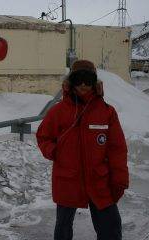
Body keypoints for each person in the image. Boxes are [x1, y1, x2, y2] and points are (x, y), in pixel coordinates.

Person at [36, 60, 129, 240]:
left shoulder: (106, 112)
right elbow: (43, 137)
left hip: (98, 180)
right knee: (63, 228)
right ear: (71, 81)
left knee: (111, 227)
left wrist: (119, 180)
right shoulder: (58, 112)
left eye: (88, 79)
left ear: (95, 82)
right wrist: (54, 151)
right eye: (79, 79)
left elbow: (117, 149)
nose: (84, 85)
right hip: (67, 179)